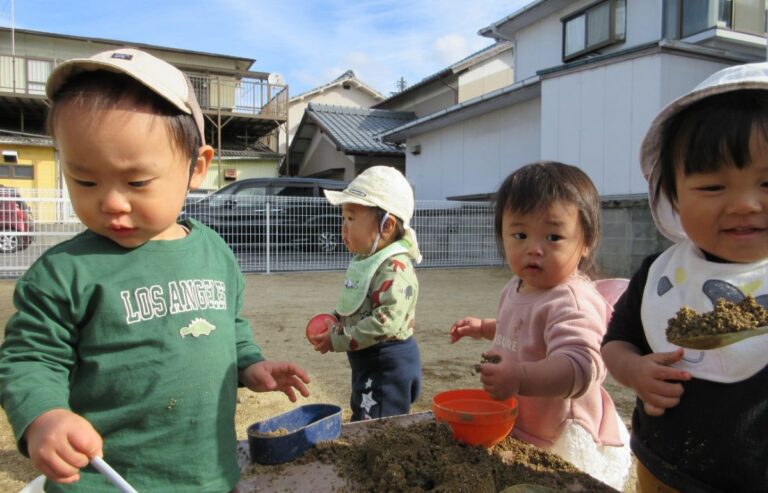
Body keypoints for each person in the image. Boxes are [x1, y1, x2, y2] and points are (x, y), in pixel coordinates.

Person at [0, 48, 311, 492]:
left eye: (136, 182)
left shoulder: (214, 253)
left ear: (196, 168)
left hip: (207, 474)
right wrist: (44, 417)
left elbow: (229, 325)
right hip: (105, 481)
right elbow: (31, 358)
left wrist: (249, 364)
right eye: (85, 181)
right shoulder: (65, 272)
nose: (111, 202)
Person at [601, 63, 768, 492]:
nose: (745, 204)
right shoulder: (663, 276)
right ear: (673, 196)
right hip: (660, 469)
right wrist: (634, 371)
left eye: (767, 183)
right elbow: (616, 343)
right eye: (713, 187)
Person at [450, 161, 631, 490]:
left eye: (553, 236)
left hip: (560, 433)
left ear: (586, 241)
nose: (534, 248)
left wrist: (519, 377)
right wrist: (485, 327)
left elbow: (581, 366)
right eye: (520, 235)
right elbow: (520, 329)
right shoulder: (517, 285)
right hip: (525, 420)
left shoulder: (571, 300)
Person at [308, 166, 422, 421]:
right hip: (369, 359)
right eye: (343, 218)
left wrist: (338, 338)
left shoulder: (395, 267)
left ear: (386, 226)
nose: (343, 227)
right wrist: (336, 318)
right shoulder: (366, 259)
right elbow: (359, 303)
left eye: (351, 218)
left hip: (387, 363)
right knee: (364, 410)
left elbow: (385, 322)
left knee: (377, 425)